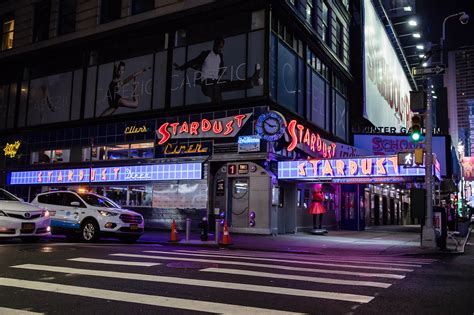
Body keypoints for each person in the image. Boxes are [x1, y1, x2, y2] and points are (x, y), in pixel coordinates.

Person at [173, 37, 263, 105]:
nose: (220, 49)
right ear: (214, 45)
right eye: (219, 47)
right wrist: (181, 68)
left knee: (231, 84)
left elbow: (221, 70)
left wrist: (222, 72)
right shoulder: (206, 54)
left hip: (216, 82)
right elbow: (193, 61)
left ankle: (252, 81)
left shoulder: (220, 56)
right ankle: (219, 108)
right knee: (216, 89)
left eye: (221, 47)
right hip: (207, 84)